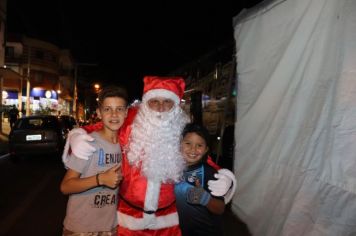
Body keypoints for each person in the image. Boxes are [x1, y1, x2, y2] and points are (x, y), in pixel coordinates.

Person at [62, 76, 236, 236]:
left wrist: (222, 175)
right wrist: (78, 134)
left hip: (168, 224)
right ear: (146, 103)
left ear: (175, 106)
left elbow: (200, 155)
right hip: (128, 222)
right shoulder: (130, 122)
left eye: (167, 102)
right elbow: (104, 125)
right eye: (154, 102)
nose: (160, 107)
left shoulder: (182, 128)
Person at [60, 86, 128, 235]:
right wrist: (100, 179)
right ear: (99, 113)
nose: (114, 114)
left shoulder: (125, 145)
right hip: (81, 228)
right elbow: (65, 186)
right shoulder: (87, 143)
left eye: (119, 109)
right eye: (107, 109)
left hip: (110, 227)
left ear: (126, 112)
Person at [175, 123, 225, 236]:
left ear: (206, 149)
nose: (193, 149)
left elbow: (220, 208)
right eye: (188, 143)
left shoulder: (209, 172)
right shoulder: (174, 170)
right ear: (180, 144)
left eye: (199, 145)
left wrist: (205, 199)